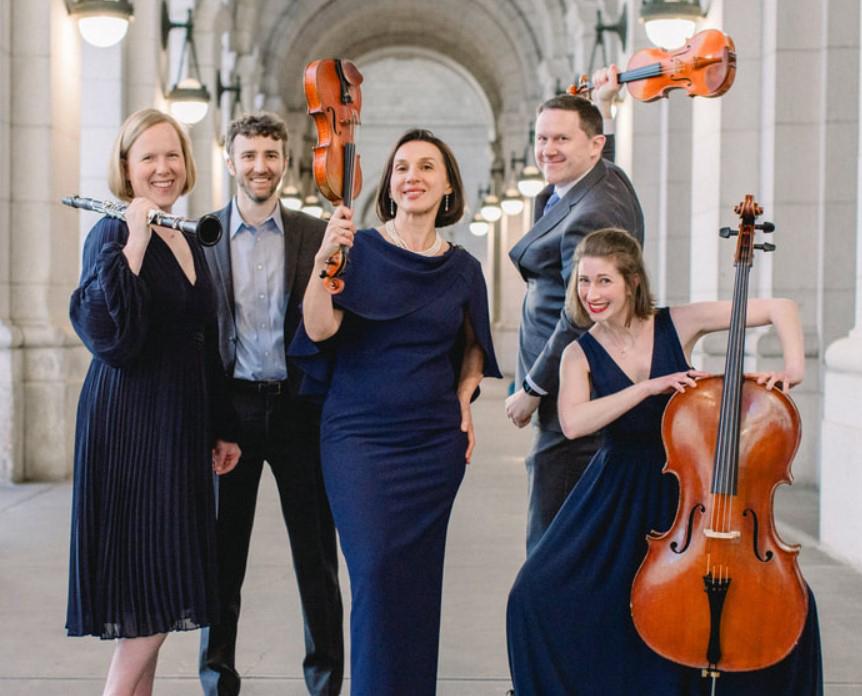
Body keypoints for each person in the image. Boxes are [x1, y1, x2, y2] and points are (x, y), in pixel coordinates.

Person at [506, 228, 823, 695]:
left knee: (780, 602)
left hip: (687, 490)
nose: (592, 294)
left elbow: (781, 308)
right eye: (584, 282)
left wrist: (794, 368)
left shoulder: (677, 322)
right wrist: (647, 388)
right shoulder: (579, 352)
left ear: (632, 281)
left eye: (604, 281)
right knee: (534, 593)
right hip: (614, 490)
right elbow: (575, 423)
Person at [290, 128, 501, 695]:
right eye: (403, 167)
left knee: (415, 584)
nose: (413, 176)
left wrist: (463, 396)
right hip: (358, 438)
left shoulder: (462, 269)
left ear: (448, 185)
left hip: (432, 445)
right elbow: (318, 327)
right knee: (378, 572)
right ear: (388, 185)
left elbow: (476, 343)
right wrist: (322, 262)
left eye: (427, 166)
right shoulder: (356, 251)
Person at [66, 108, 242, 696]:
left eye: (172, 155)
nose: (162, 168)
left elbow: (205, 340)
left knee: (153, 596)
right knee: (155, 587)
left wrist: (221, 426)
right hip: (130, 424)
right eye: (148, 157)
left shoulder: (189, 233)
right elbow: (105, 333)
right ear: (126, 168)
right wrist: (136, 239)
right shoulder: (112, 234)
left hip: (180, 424)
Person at [198, 112, 344, 696]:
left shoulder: (313, 233)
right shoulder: (200, 233)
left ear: (287, 162)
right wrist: (210, 420)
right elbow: (198, 337)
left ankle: (326, 683)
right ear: (230, 160)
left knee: (316, 560)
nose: (261, 166)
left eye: (272, 155)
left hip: (298, 411)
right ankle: (217, 678)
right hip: (230, 412)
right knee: (221, 557)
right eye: (249, 155)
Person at [505, 69, 646, 552]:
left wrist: (532, 387)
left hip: (570, 387)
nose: (548, 149)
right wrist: (602, 101)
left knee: (551, 540)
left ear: (593, 144)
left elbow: (583, 311)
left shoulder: (594, 211)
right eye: (542, 138)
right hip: (576, 384)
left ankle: (547, 624)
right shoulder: (595, 177)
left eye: (562, 138)